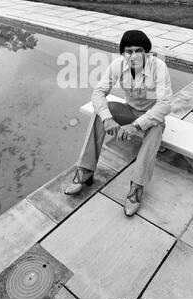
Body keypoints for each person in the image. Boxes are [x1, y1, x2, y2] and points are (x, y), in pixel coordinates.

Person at [65, 30, 173, 216]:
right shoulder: (118, 65)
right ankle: (86, 169)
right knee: (100, 113)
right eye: (128, 51)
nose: (133, 55)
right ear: (123, 53)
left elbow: (165, 104)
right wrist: (108, 119)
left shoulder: (158, 67)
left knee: (155, 129)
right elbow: (98, 93)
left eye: (138, 50)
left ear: (147, 52)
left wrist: (136, 126)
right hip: (129, 110)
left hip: (151, 116)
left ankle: (137, 186)